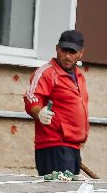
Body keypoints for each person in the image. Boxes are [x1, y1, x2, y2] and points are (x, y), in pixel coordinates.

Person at [23, 30, 90, 181]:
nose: (67, 56)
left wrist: (78, 142)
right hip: (54, 146)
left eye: (72, 52)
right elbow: (31, 97)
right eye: (64, 50)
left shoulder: (79, 76)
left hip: (72, 147)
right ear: (57, 49)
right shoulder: (47, 72)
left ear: (81, 53)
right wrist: (39, 112)